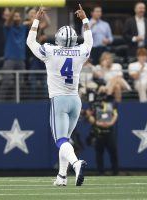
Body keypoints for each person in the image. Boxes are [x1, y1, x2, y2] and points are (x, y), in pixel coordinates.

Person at [27, 5, 93, 186]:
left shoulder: (50, 50)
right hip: (75, 101)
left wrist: (36, 20)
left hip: (59, 100)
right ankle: (62, 177)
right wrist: (85, 20)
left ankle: (76, 163)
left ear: (58, 39)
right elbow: (89, 42)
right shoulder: (80, 51)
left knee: (61, 140)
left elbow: (30, 42)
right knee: (65, 140)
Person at [0, 9, 28, 101]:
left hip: (21, 60)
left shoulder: (23, 28)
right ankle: (0, 103)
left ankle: (16, 103)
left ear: (20, 18)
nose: (16, 18)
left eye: (18, 16)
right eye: (15, 16)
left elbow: (33, 21)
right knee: (6, 82)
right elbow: (8, 20)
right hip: (9, 59)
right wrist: (15, 7)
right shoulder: (8, 28)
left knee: (20, 84)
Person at [85, 94, 119, 175]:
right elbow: (90, 117)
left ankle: (115, 171)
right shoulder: (94, 106)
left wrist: (110, 123)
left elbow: (115, 115)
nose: (101, 101)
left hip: (109, 132)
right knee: (99, 153)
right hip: (99, 132)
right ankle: (101, 172)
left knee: (113, 152)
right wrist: (97, 123)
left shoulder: (110, 106)